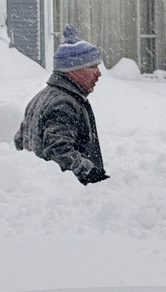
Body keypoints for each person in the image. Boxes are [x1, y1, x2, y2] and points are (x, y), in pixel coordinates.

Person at [15, 25, 109, 184]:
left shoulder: (43, 96)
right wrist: (89, 173)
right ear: (74, 70)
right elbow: (58, 151)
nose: (98, 73)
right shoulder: (63, 103)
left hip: (40, 188)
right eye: (92, 67)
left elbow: (20, 141)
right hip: (63, 194)